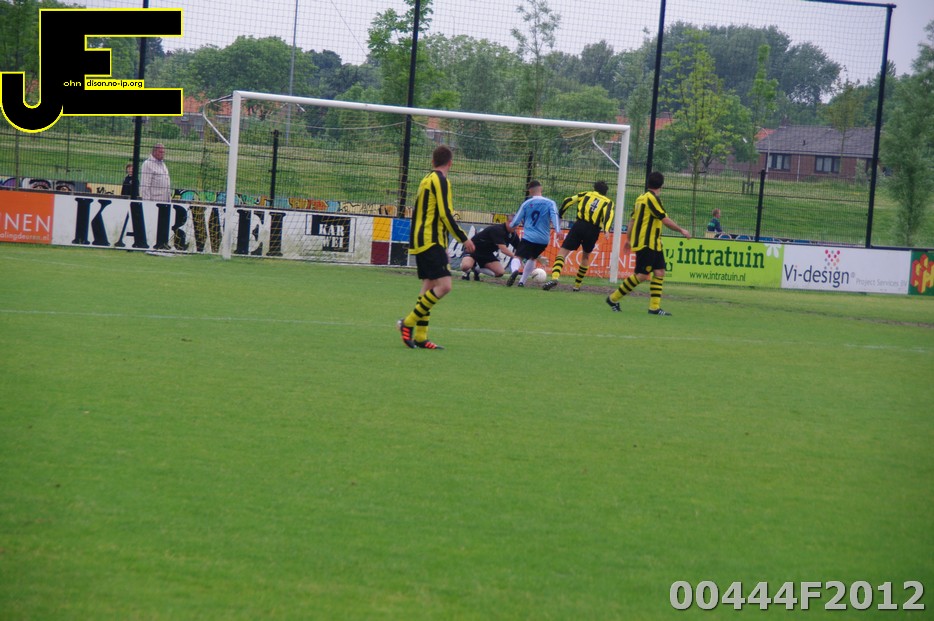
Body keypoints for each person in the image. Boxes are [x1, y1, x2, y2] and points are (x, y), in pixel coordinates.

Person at [397, 145, 475, 350]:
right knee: (445, 286)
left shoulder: (426, 179)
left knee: (429, 287)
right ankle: (408, 323)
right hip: (430, 240)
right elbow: (444, 213)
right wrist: (463, 238)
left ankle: (421, 337)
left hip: (423, 240)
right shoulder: (441, 181)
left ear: (433, 162)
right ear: (450, 163)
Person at [606, 171, 691, 316]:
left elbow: (632, 220)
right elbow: (664, 219)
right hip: (646, 243)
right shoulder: (652, 199)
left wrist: (628, 239)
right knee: (642, 275)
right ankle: (612, 298)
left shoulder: (640, 198)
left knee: (659, 272)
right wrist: (681, 230)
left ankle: (654, 308)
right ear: (661, 185)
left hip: (654, 243)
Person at [542, 180, 614, 292]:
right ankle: (577, 285)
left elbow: (567, 200)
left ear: (594, 188)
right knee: (585, 257)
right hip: (593, 230)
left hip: (579, 225)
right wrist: (607, 229)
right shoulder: (608, 202)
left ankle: (555, 278)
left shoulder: (586, 194)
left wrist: (560, 214)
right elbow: (608, 215)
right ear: (605, 192)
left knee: (563, 252)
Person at [506, 180, 561, 288]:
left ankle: (515, 270)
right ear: (541, 189)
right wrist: (558, 230)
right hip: (543, 240)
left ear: (530, 191)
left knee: (518, 257)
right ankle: (522, 282)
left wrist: (512, 225)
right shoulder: (550, 203)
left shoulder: (526, 204)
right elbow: (555, 216)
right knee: (532, 258)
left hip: (529, 238)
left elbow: (515, 221)